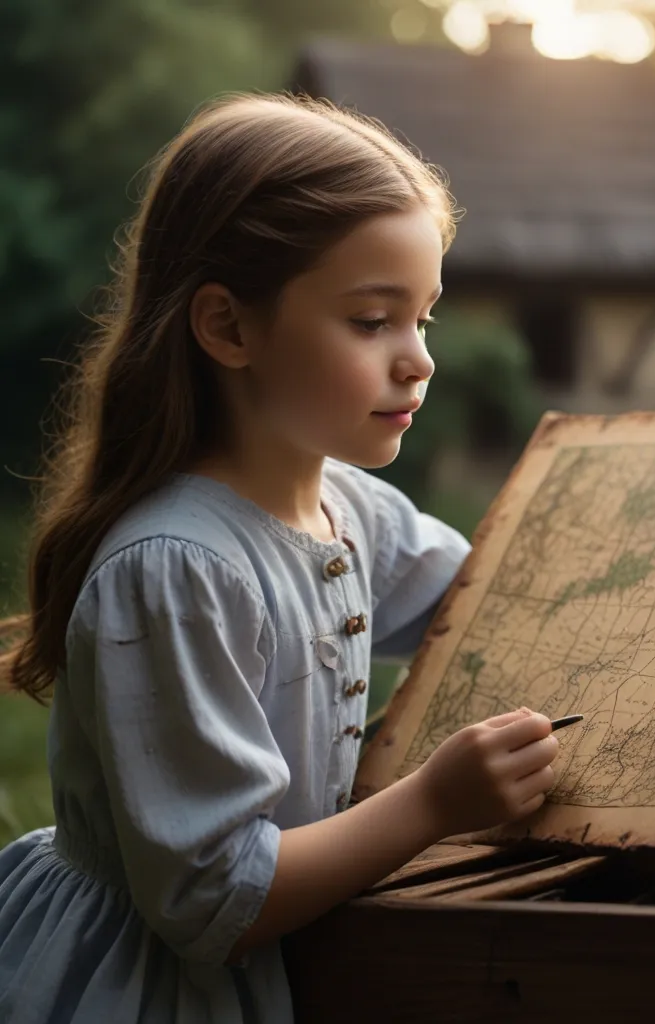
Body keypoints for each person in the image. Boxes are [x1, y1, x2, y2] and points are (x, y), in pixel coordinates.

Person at [0, 93, 559, 1023]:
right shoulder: (176, 571)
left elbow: (498, 598)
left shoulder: (349, 505)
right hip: (157, 991)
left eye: (425, 317)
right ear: (229, 328)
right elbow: (213, 899)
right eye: (373, 320)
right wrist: (433, 801)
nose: (418, 359)